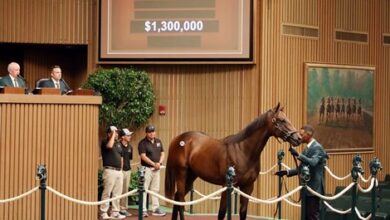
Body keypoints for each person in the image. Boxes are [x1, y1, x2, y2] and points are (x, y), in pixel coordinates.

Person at [275, 124, 328, 220]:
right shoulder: (307, 148)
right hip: (306, 188)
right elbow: (301, 168)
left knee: (312, 216)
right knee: (305, 216)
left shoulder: (317, 147)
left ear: (309, 134)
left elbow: (313, 162)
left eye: (302, 134)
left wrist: (298, 155)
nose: (299, 136)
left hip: (314, 189)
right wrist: (287, 172)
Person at [138, 125, 166, 217]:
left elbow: (162, 153)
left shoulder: (158, 141)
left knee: (155, 189)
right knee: (144, 189)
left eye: (153, 131)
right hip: (146, 169)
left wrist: (159, 163)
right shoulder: (142, 143)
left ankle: (155, 209)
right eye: (150, 132)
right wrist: (154, 164)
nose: (152, 133)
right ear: (146, 133)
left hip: (157, 169)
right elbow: (143, 156)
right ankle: (143, 210)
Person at [100, 126, 126, 220]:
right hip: (109, 170)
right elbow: (109, 146)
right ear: (108, 134)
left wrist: (121, 170)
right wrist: (113, 135)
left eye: (117, 132)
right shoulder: (105, 141)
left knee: (117, 193)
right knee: (107, 192)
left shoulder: (118, 144)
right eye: (114, 132)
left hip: (118, 171)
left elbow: (121, 157)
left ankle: (115, 212)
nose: (116, 134)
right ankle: (103, 212)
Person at [118, 128, 134, 217]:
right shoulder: (118, 146)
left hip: (128, 171)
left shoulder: (130, 147)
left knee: (125, 190)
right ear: (123, 137)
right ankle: (117, 209)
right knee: (118, 191)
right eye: (128, 135)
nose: (130, 137)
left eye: (130, 135)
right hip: (120, 171)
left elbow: (130, 159)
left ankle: (123, 209)